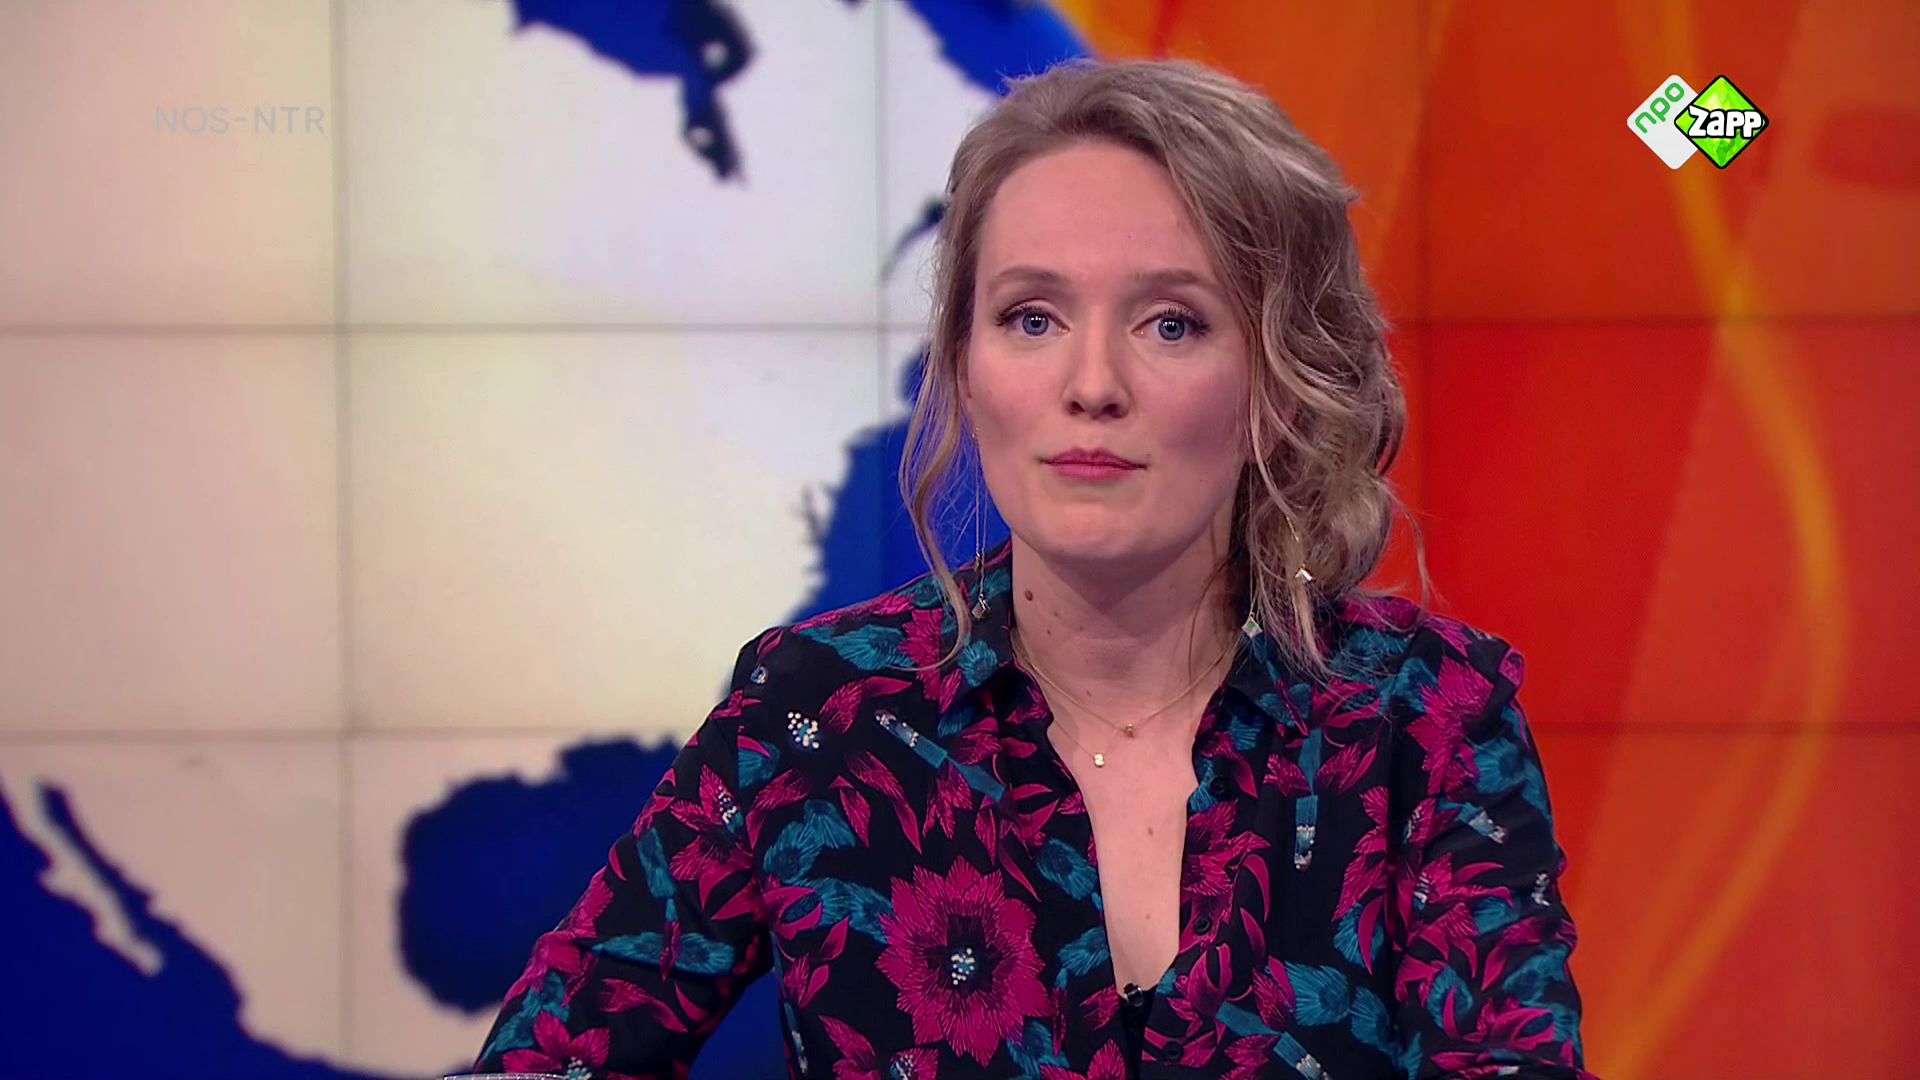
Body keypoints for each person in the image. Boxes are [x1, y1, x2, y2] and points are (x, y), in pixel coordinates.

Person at [466, 57, 1595, 1080]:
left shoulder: (1426, 719)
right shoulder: (817, 713)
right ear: (964, 363)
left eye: (1171, 324)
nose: (1091, 384)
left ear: (1280, 376)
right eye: (1033, 317)